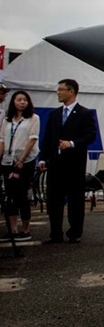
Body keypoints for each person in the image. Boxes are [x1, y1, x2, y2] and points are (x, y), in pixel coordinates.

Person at [38, 79, 98, 244]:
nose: (58, 93)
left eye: (61, 90)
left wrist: (72, 143)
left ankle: (75, 232)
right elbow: (48, 138)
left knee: (75, 199)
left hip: (74, 164)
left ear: (71, 91)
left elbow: (90, 135)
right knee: (54, 199)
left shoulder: (85, 113)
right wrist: (43, 157)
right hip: (56, 163)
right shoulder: (55, 114)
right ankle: (55, 232)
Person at [0, 90, 40, 241]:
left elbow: (32, 139)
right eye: (19, 100)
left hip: (26, 161)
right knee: (10, 196)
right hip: (8, 160)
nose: (22, 102)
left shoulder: (33, 118)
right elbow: (2, 140)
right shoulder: (7, 120)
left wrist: (22, 159)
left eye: (25, 100)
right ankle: (12, 230)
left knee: (22, 195)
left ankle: (25, 229)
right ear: (13, 102)